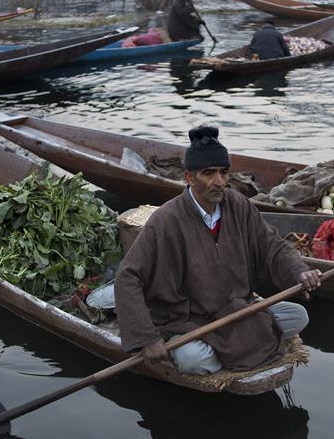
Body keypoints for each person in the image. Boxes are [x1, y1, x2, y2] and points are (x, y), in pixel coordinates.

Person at [114, 126, 322, 375]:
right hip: (189, 320)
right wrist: (147, 339)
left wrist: (300, 272)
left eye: (224, 173)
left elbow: (272, 245)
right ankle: (237, 350)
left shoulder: (238, 205)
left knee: (299, 316)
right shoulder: (165, 220)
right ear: (190, 178)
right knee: (192, 358)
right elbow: (127, 277)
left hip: (235, 310)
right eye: (209, 174)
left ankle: (230, 352)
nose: (220, 182)